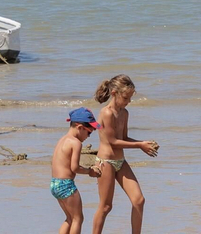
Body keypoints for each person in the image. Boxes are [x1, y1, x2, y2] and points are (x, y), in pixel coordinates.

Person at [90, 75, 157, 234]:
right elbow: (112, 141)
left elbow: (124, 138)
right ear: (114, 93)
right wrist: (139, 145)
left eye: (130, 98)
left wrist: (144, 143)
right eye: (126, 98)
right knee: (106, 206)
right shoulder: (107, 113)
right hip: (106, 162)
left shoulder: (124, 113)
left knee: (138, 200)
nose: (129, 101)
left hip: (120, 162)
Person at [51, 107, 102, 234]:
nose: (88, 136)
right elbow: (74, 167)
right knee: (77, 219)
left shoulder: (62, 139)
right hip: (66, 185)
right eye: (89, 133)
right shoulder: (76, 143)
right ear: (80, 127)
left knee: (69, 218)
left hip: (55, 183)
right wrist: (90, 171)